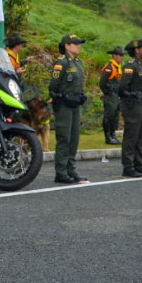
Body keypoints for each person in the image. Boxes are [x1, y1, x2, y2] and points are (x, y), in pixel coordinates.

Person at [49, 33, 88, 184]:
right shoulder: (62, 62)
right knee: (64, 137)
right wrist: (60, 97)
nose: (78, 46)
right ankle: (61, 172)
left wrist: (81, 95)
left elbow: (78, 83)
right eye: (75, 43)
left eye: (79, 43)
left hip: (75, 104)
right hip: (64, 104)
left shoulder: (77, 62)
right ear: (67, 45)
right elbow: (53, 86)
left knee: (74, 138)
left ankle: (71, 169)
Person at [118, 38, 142, 177]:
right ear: (136, 50)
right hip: (132, 105)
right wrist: (132, 94)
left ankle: (138, 164)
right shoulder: (130, 65)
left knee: (141, 135)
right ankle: (128, 166)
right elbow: (122, 88)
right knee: (131, 136)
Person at [98, 45, 125, 145]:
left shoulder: (119, 67)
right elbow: (102, 83)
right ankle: (108, 137)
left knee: (115, 116)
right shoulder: (109, 67)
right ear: (114, 56)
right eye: (119, 55)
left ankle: (113, 135)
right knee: (109, 115)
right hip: (110, 95)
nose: (121, 57)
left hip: (116, 95)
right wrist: (107, 92)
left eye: (122, 55)